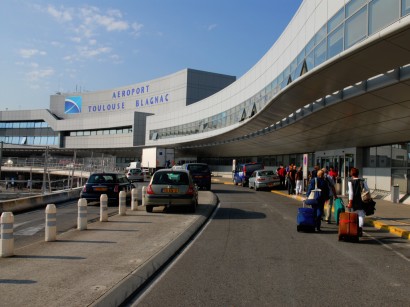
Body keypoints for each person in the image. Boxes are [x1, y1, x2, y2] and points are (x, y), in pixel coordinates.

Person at [347, 167, 368, 237]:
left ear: (351, 173)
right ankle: (360, 228)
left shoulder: (350, 182)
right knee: (361, 215)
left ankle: (353, 230)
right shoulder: (363, 181)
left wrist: (350, 202)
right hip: (362, 200)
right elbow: (367, 190)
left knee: (353, 216)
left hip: (354, 200)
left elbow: (351, 193)